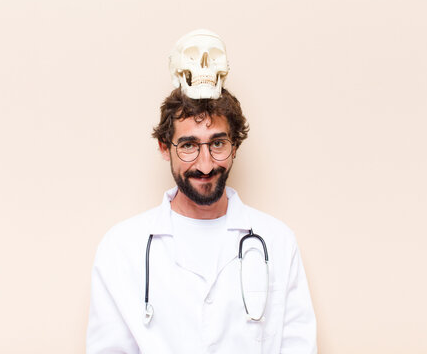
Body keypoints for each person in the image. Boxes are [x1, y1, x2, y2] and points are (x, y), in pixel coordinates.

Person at [86, 87, 317, 353]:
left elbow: (299, 346)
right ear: (164, 148)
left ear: (235, 147)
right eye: (188, 146)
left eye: (217, 143)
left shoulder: (277, 241)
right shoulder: (121, 248)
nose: (205, 165)